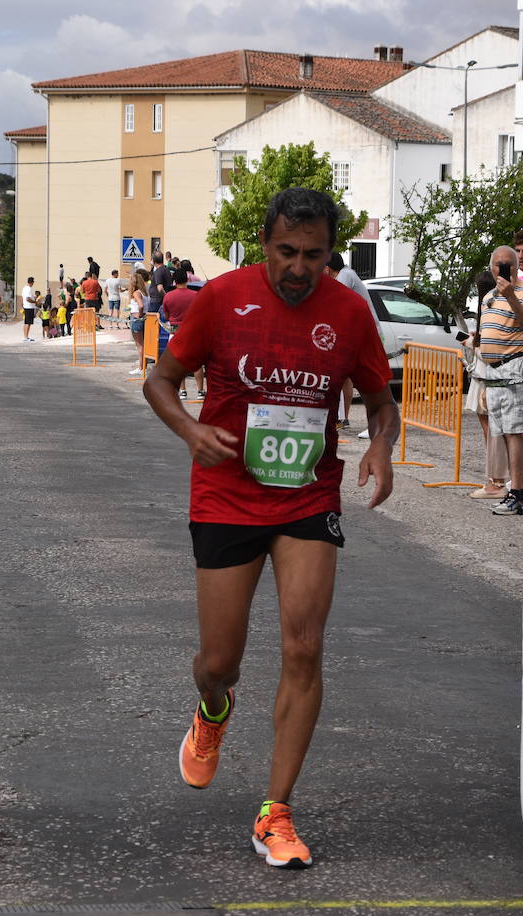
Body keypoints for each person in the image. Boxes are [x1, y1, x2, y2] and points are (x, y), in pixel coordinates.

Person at [143, 187, 400, 870]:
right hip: (226, 493)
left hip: (307, 496)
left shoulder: (348, 312)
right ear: (264, 243)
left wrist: (381, 446)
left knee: (304, 646)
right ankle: (213, 708)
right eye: (287, 251)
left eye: (314, 255)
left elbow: (382, 401)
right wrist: (191, 430)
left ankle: (275, 812)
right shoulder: (223, 299)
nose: (298, 267)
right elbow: (159, 381)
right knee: (218, 662)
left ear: (330, 254)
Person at [472, 246, 523, 517]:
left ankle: (519, 492)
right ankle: (512, 487)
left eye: (509, 264)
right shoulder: (488, 298)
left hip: (514, 370)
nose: (503, 269)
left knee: (516, 433)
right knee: (504, 433)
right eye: (499, 264)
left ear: (517, 267)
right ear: (491, 268)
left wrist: (511, 297)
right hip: (493, 373)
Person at [463, 269, 509, 499]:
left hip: (487, 381)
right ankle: (497, 480)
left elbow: (491, 353)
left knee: (492, 434)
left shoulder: (489, 310)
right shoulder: (501, 308)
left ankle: (496, 482)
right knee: (494, 433)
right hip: (490, 380)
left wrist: (471, 343)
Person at [323, 252, 376, 428]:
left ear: (327, 268)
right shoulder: (346, 274)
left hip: (365, 332)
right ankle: (343, 419)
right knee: (345, 376)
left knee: (363, 377)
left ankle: (374, 422)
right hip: (360, 331)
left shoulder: (345, 276)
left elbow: (336, 303)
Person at [159, 266, 203, 400]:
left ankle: (182, 391)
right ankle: (200, 391)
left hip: (175, 333)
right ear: (187, 279)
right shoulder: (196, 295)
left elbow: (166, 316)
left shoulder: (168, 296)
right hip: (192, 332)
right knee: (197, 363)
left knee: (178, 363)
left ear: (174, 281)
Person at [128, 269, 149, 375]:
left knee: (139, 345)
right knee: (143, 344)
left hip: (137, 319)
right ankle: (143, 366)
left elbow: (140, 305)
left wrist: (139, 315)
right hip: (144, 319)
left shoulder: (136, 293)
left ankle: (141, 367)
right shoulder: (145, 293)